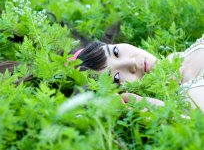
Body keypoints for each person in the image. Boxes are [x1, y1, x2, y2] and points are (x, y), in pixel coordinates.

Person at [68, 35, 204, 112]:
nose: (130, 63)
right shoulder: (189, 100)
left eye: (115, 52)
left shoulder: (176, 57)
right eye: (116, 78)